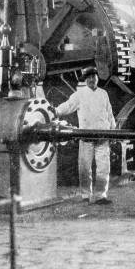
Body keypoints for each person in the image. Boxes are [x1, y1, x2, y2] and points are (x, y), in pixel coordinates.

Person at [55, 67, 116, 205]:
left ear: (97, 78)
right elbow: (68, 106)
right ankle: (85, 195)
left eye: (93, 77)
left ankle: (101, 196)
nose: (91, 80)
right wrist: (54, 111)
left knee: (103, 168)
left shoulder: (103, 94)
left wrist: (113, 130)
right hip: (86, 137)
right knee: (84, 168)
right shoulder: (79, 94)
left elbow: (110, 113)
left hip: (103, 136)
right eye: (88, 78)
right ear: (85, 80)